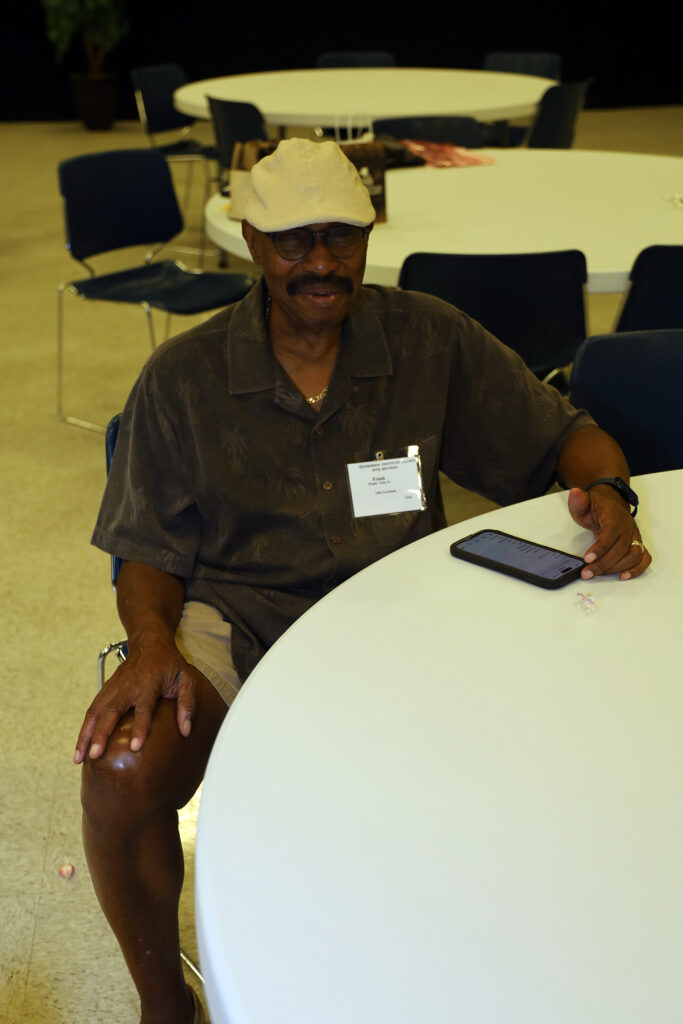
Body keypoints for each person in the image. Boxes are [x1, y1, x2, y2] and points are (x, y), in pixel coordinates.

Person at [75, 138, 651, 1024]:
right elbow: (147, 547)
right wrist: (151, 643)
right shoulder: (183, 377)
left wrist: (608, 493)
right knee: (122, 767)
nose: (321, 261)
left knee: (571, 741)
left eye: (341, 236)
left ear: (369, 236)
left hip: (402, 609)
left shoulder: (427, 336)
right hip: (242, 615)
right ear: (253, 242)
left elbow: (564, 435)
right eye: (294, 240)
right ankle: (164, 1003)